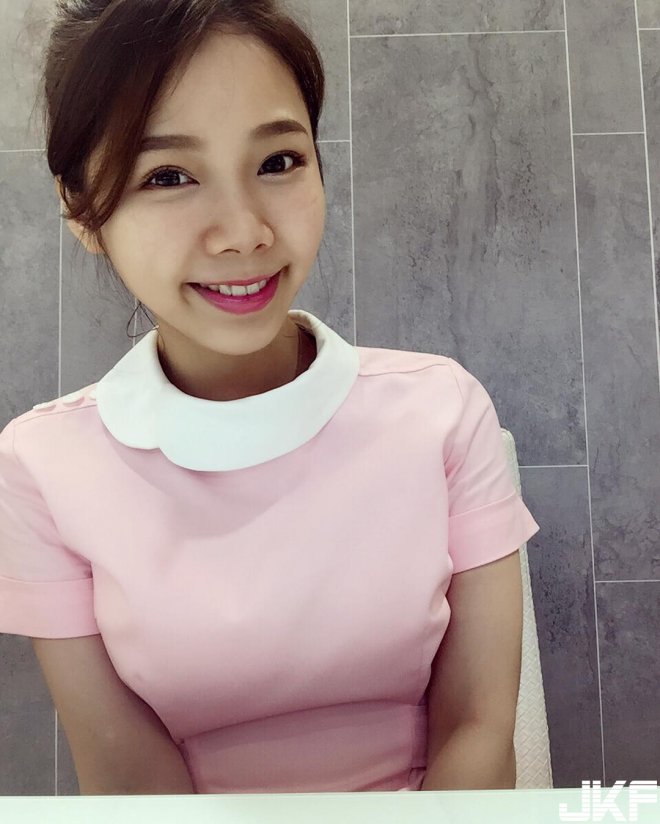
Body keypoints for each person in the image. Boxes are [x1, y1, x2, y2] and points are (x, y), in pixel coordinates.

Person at [0, 0, 540, 796]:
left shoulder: (442, 413)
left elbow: (478, 728)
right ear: (82, 207)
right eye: (169, 176)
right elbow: (127, 775)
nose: (244, 232)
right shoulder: (44, 468)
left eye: (278, 161)